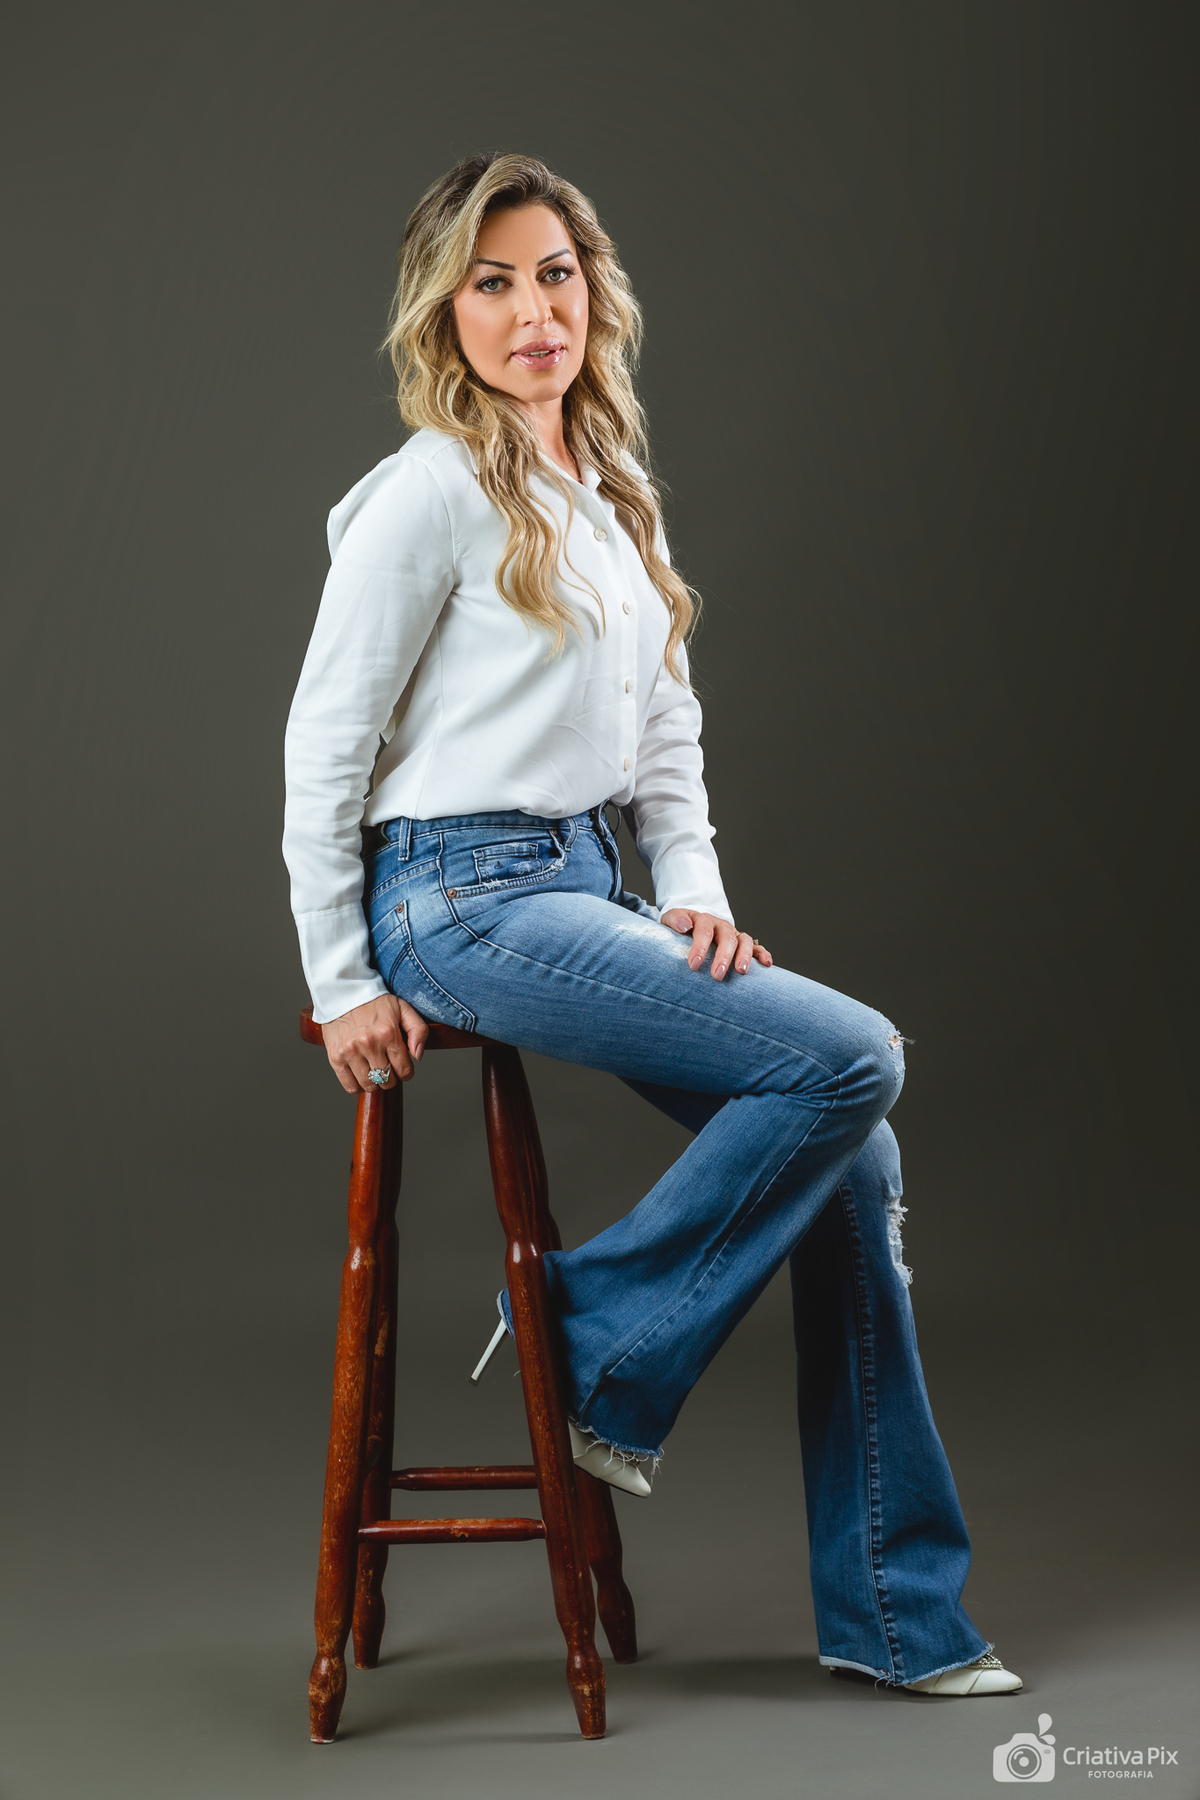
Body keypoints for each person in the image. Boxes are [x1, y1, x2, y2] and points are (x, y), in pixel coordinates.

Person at [283, 152, 1020, 1698]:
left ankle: (894, 1614)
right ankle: (592, 1343)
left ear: (592, 291)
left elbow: (666, 736)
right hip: (456, 896)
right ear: (445, 312)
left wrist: (699, 902)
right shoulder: (427, 491)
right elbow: (325, 751)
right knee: (855, 1059)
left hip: (591, 884)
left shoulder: (609, 484)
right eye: (492, 283)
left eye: (553, 274)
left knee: (857, 1151)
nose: (531, 310)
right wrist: (340, 975)